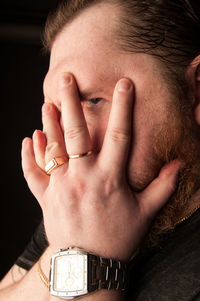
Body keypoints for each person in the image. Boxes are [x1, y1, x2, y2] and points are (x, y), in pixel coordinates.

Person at [0, 0, 200, 300]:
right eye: (58, 113)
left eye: (92, 100)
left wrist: (88, 258)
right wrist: (73, 241)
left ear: (196, 88)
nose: (67, 144)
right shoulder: (90, 196)